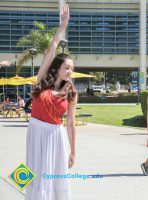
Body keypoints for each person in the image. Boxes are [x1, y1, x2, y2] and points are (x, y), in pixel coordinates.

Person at [26, 4, 77, 200]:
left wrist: (73, 152)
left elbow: (71, 124)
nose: (70, 71)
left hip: (56, 137)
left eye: (72, 68)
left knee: (54, 179)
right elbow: (51, 49)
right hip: (36, 133)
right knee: (35, 175)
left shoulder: (70, 92)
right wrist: (62, 27)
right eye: (67, 67)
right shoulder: (42, 80)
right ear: (57, 67)